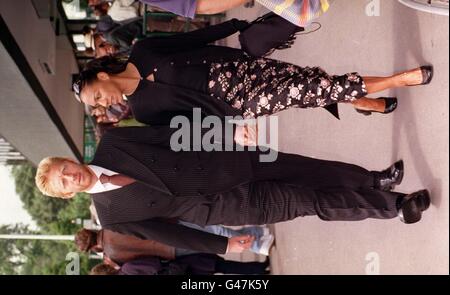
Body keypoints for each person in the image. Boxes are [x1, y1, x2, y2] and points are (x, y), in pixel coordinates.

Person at [35, 125, 431, 254]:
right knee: (309, 200)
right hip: (226, 206)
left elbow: (171, 134)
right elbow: (167, 233)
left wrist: (226, 132)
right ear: (67, 195)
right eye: (63, 184)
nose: (71, 177)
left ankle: (373, 179)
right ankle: (395, 206)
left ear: (68, 160)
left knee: (307, 168)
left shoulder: (112, 144)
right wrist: (223, 247)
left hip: (228, 162)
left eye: (64, 170)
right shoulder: (112, 216)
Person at [73, 18, 434, 127]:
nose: (105, 104)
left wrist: (233, 25)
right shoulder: (145, 111)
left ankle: (364, 104)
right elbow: (193, 123)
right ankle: (400, 78)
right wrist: (235, 128)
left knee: (309, 78)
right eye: (98, 105)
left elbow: (193, 38)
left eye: (98, 97)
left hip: (237, 65)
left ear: (102, 77)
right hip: (234, 100)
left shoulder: (143, 49)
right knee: (314, 88)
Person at [75, 224, 273, 264]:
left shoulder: (113, 256)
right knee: (212, 232)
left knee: (213, 240)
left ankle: (255, 237)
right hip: (168, 229)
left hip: (171, 252)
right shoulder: (112, 225)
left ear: (93, 248)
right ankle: (255, 238)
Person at [90, 254, 270, 275]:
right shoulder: (127, 269)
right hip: (179, 268)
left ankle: (258, 273)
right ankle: (258, 269)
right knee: (219, 265)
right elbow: (153, 264)